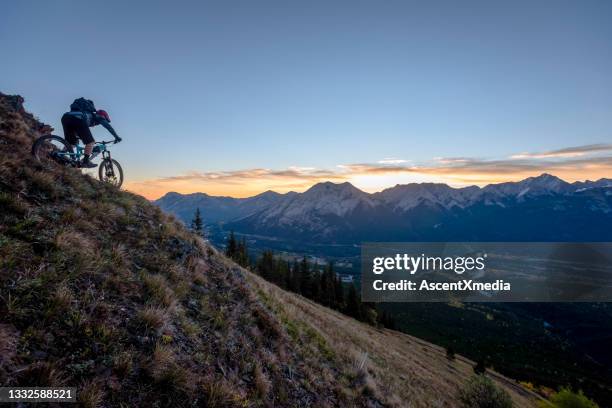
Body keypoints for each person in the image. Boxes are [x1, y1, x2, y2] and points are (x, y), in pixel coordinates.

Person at [61, 98, 122, 168]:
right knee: (91, 142)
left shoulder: (86, 115)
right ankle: (85, 162)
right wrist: (117, 137)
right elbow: (108, 127)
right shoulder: (99, 116)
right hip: (77, 119)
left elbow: (79, 130)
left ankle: (59, 155)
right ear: (104, 116)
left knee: (73, 143)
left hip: (66, 117)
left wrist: (78, 137)